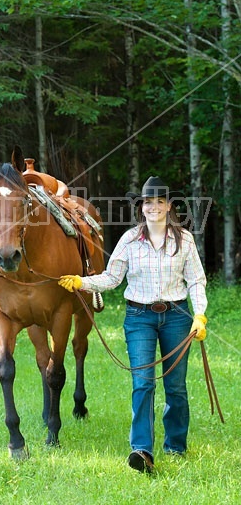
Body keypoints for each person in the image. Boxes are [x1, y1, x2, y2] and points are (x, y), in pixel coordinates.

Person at [59, 176, 208, 474]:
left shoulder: (185, 240)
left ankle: (176, 445)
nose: (153, 207)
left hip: (177, 318)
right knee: (143, 383)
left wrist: (199, 315)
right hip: (139, 318)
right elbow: (112, 278)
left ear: (169, 206)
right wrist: (82, 282)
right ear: (141, 208)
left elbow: (196, 281)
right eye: (147, 203)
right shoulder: (129, 240)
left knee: (175, 386)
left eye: (159, 202)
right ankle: (141, 449)